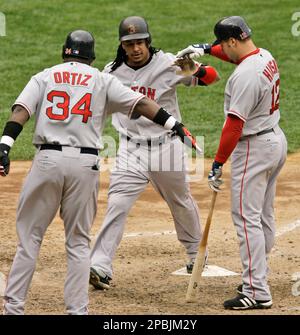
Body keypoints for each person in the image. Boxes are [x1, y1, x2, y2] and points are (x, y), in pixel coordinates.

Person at [0, 30, 197, 315]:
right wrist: (174, 125)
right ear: (91, 57)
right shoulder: (103, 80)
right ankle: (78, 311)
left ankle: (14, 309)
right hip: (84, 166)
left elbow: (21, 110)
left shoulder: (45, 75)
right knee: (79, 243)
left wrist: (5, 146)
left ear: (64, 51)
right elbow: (141, 104)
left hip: (47, 162)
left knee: (29, 240)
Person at [89, 16, 219, 290]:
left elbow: (212, 79)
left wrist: (193, 69)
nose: (136, 48)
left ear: (148, 41)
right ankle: (100, 266)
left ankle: (196, 253)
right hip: (130, 149)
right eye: (129, 44)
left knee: (180, 201)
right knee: (117, 204)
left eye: (139, 42)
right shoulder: (111, 72)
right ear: (122, 45)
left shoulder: (168, 64)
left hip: (167, 147)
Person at [176, 16, 287, 310]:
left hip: (252, 148)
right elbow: (232, 55)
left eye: (223, 44)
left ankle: (256, 291)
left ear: (233, 41)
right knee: (263, 216)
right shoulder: (264, 56)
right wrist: (204, 49)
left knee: (247, 220)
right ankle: (257, 277)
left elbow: (234, 125)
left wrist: (217, 164)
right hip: (275, 141)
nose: (223, 49)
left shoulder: (244, 77)